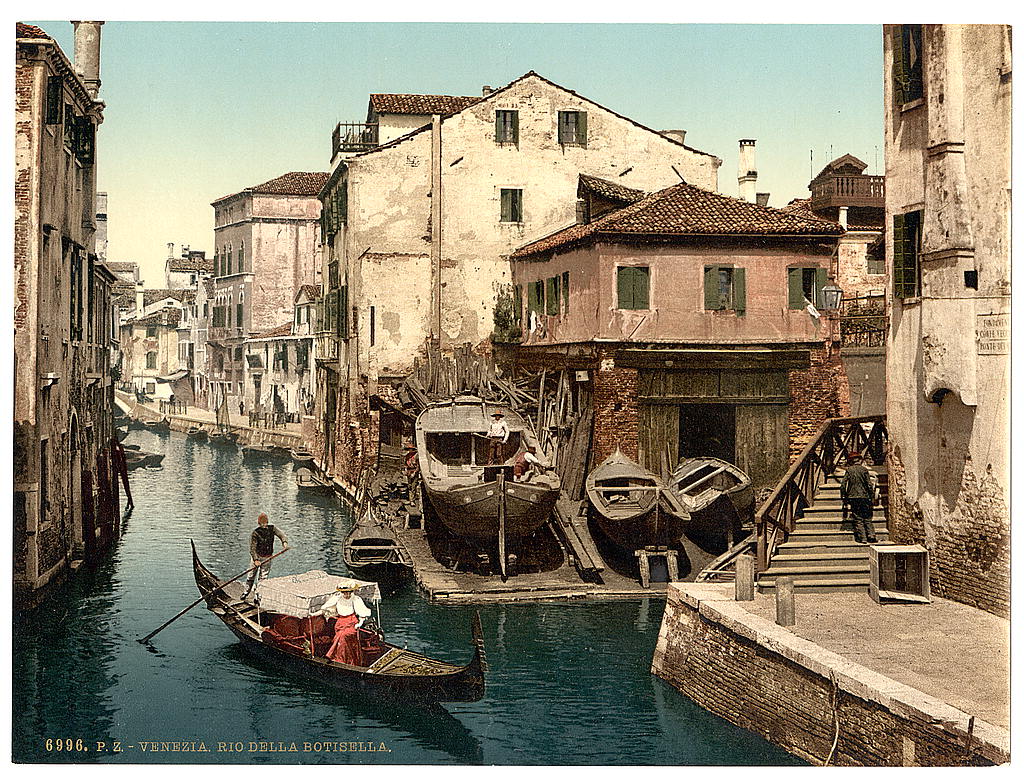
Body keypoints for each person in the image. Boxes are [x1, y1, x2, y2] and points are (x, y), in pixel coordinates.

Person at [318, 582, 372, 665]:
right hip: (340, 623)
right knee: (339, 637)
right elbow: (325, 607)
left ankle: (334, 656)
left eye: (349, 592)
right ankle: (340, 658)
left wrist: (359, 624)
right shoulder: (337, 598)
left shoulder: (356, 599)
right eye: (345, 593)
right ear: (342, 592)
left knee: (343, 636)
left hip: (351, 622)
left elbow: (362, 613)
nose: (347, 595)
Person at [241, 513, 289, 599]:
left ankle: (258, 595)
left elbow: (281, 535)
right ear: (259, 524)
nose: (265, 525)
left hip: (267, 557)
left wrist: (284, 542)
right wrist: (255, 560)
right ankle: (246, 592)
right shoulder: (255, 533)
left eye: (266, 523)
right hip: (257, 556)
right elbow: (252, 548)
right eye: (262, 524)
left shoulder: (272, 529)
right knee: (251, 575)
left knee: (263, 578)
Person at [840, 451, 877, 544]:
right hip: (864, 496)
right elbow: (869, 484)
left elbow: (843, 485)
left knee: (858, 518)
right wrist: (872, 495)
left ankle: (863, 538)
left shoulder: (849, 470)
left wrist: (844, 496)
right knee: (867, 517)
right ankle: (871, 536)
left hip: (853, 497)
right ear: (860, 460)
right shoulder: (864, 470)